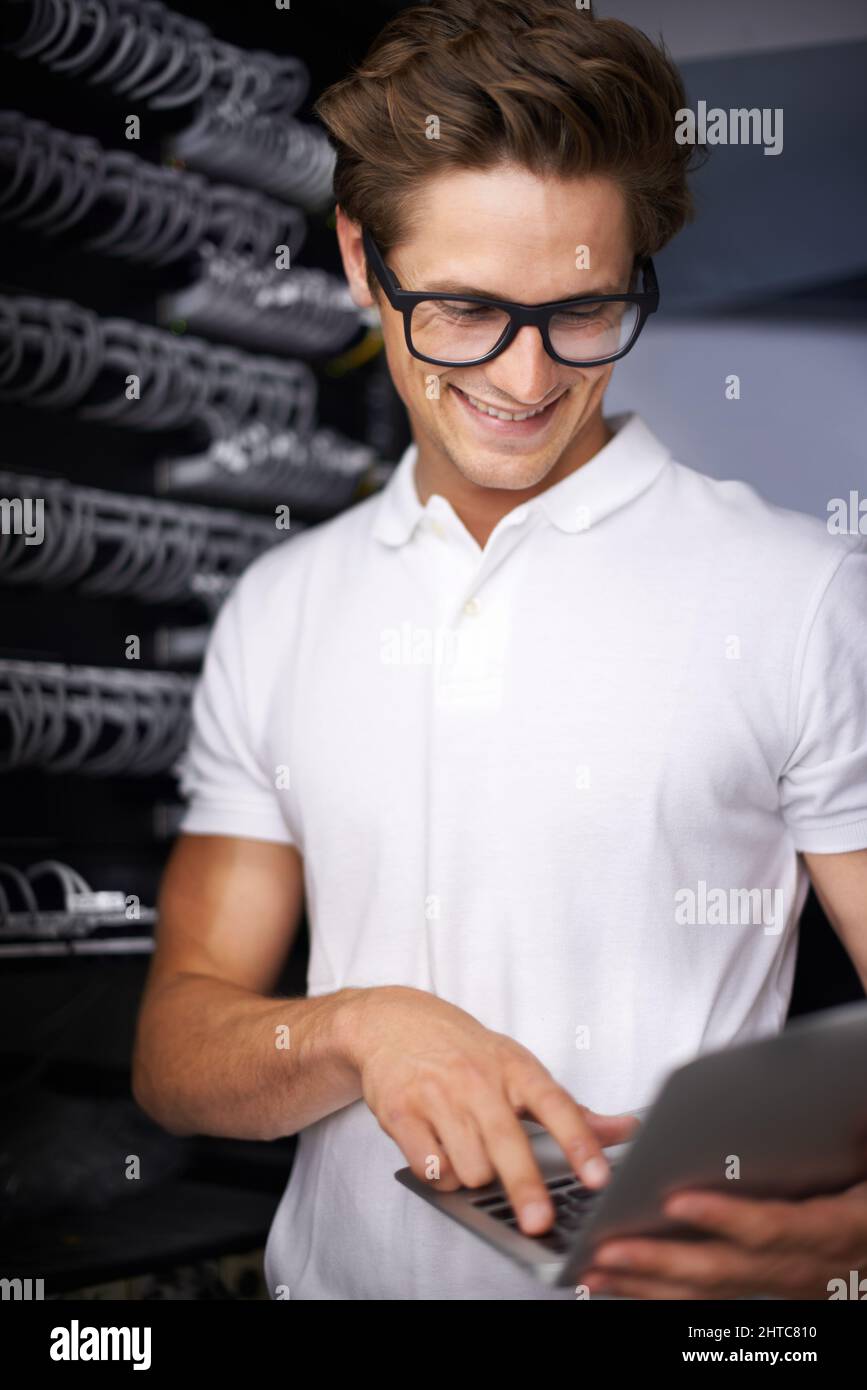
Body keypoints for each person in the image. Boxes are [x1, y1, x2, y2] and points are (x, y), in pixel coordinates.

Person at [132, 0, 867, 1301]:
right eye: (465, 311)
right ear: (363, 259)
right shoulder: (280, 604)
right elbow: (179, 1053)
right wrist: (359, 1025)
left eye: (583, 309)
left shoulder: (807, 597)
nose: (527, 380)